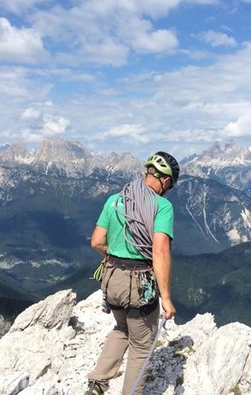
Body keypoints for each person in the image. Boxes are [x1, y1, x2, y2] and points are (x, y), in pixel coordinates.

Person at [85, 151, 180, 395]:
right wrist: (166, 298)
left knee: (122, 328)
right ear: (166, 181)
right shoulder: (162, 207)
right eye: (169, 186)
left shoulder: (115, 200)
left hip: (111, 277)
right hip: (138, 284)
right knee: (141, 345)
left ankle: (97, 384)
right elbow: (160, 252)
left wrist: (116, 252)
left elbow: (96, 242)